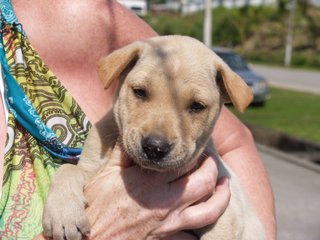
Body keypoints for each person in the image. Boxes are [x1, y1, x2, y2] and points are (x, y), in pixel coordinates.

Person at [0, 0, 276, 239]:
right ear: (121, 72)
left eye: (195, 107)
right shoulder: (106, 134)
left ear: (223, 97)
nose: (157, 138)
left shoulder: (83, 16)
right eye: (141, 93)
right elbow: (84, 174)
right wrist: (67, 181)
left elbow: (235, 156)